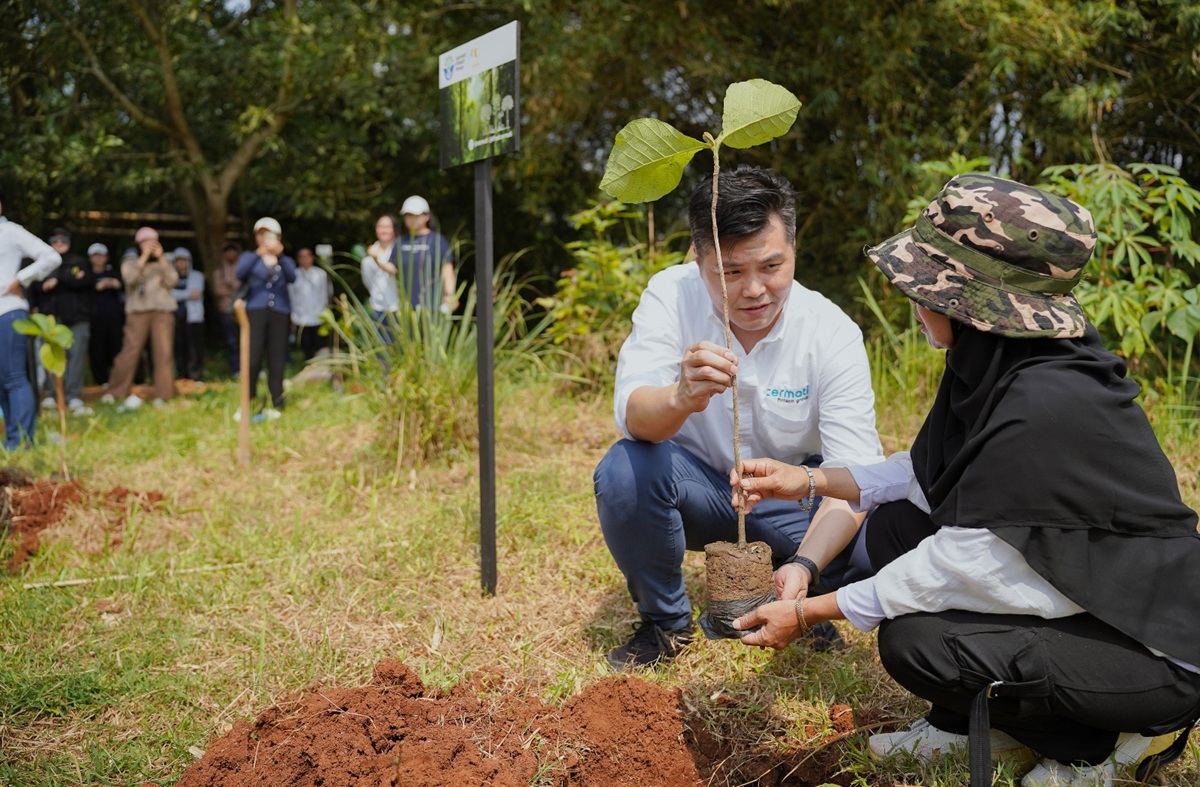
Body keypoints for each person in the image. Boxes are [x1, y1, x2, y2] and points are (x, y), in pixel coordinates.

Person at [731, 174, 1200, 787]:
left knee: (915, 643)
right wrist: (806, 480)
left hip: (1149, 647)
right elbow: (926, 476)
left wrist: (810, 612)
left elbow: (966, 563)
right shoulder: (996, 363)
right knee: (898, 526)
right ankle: (972, 725)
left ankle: (1095, 749)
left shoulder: (1049, 403)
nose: (914, 304)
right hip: (1078, 597)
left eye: (923, 291)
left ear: (968, 305)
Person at [593, 166, 885, 670]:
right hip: (699, 493)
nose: (753, 290)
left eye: (771, 266)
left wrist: (805, 564)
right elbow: (636, 416)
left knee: (874, 535)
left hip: (791, 506)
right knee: (626, 471)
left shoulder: (830, 331)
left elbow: (855, 476)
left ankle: (804, 602)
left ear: (794, 248)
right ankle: (666, 623)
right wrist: (680, 397)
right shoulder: (670, 295)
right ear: (697, 258)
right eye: (729, 272)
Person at [0, 187, 62, 448]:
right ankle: (12, 440)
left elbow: (51, 256)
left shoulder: (10, 231)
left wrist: (21, 279)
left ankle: (22, 441)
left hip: (9, 311)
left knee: (14, 377)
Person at [102, 226, 178, 410]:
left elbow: (173, 280)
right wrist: (143, 258)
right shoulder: (130, 260)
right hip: (137, 311)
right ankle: (115, 391)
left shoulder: (165, 260)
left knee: (163, 353)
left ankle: (164, 394)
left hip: (162, 310)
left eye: (153, 241)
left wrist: (161, 258)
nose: (150, 245)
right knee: (130, 350)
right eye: (146, 241)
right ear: (139, 243)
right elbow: (130, 279)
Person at [235, 217, 295, 419]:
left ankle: (277, 402)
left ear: (278, 237)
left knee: (277, 358)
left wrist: (280, 255)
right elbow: (240, 273)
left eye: (268, 234)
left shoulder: (284, 260)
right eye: (261, 234)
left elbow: (293, 277)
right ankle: (248, 400)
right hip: (256, 311)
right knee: (252, 358)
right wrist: (258, 254)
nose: (264, 238)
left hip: (280, 312)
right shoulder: (249, 257)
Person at [33, 228, 96, 415]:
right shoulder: (42, 263)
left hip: (77, 318)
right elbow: (36, 286)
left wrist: (57, 279)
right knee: (52, 357)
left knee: (76, 357)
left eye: (63, 239)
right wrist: (68, 278)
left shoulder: (79, 261)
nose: (59, 242)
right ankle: (52, 394)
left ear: (69, 241)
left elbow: (84, 281)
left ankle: (73, 395)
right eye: (55, 239)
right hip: (51, 320)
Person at [397, 196, 457, 314]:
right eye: (408, 215)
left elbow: (447, 269)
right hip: (406, 308)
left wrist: (449, 295)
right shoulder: (400, 242)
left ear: (426, 216)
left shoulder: (437, 241)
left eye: (416, 215)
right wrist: (375, 258)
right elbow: (393, 269)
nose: (412, 219)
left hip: (433, 307)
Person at [88, 243, 125, 388]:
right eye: (95, 256)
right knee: (97, 350)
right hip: (95, 319)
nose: (98, 259)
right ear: (90, 258)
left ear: (106, 258)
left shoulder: (113, 273)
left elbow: (123, 286)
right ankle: (101, 381)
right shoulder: (86, 275)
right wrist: (97, 287)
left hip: (114, 318)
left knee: (116, 348)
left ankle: (118, 379)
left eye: (101, 255)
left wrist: (114, 283)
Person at [288, 246, 331, 361]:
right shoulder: (293, 275)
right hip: (301, 318)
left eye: (307, 256)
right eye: (302, 257)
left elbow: (325, 294)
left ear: (312, 258)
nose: (305, 259)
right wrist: (292, 317)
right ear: (298, 259)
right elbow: (291, 297)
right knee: (306, 346)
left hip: (318, 316)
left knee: (320, 345)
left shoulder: (321, 274)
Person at [171, 247, 205, 380]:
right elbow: (168, 294)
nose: (182, 263)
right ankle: (181, 375)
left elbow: (196, 294)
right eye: (179, 260)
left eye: (184, 260)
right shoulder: (170, 277)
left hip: (193, 317)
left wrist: (178, 294)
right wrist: (187, 294)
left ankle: (196, 376)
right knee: (178, 347)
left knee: (194, 347)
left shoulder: (197, 276)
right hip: (176, 316)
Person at [360, 214, 400, 327]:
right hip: (378, 307)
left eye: (387, 227)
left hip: (399, 306)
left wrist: (377, 260)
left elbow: (396, 271)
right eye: (380, 226)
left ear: (394, 229)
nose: (383, 230)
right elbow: (368, 282)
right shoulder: (368, 256)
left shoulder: (402, 249)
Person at [211, 239, 243, 377]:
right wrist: (235, 288)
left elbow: (244, 288)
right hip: (226, 310)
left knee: (246, 339)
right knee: (232, 341)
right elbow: (219, 290)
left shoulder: (243, 270)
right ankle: (236, 369)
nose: (230, 254)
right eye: (227, 252)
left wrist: (231, 287)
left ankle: (250, 367)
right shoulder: (219, 272)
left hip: (242, 309)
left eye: (232, 251)